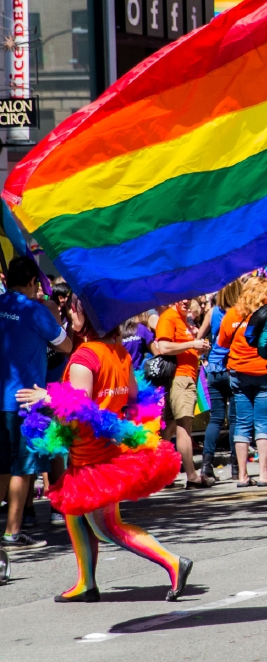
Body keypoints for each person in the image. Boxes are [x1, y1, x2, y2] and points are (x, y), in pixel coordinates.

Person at [17, 322, 190, 602]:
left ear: (86, 318)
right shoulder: (118, 352)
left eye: (74, 309)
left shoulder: (85, 356)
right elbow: (135, 399)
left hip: (94, 459)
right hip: (96, 452)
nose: (70, 313)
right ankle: (86, 583)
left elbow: (80, 404)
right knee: (73, 508)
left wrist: (44, 396)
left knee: (107, 526)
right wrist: (122, 429)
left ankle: (173, 562)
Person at [0, 256, 71, 549]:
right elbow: (66, 345)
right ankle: (13, 532)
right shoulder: (35, 310)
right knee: (24, 468)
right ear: (32, 283)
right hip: (29, 401)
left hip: (0, 398)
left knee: (2, 467)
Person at [217, 277, 267, 486]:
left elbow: (222, 342)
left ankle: (242, 475)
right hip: (263, 372)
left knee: (241, 423)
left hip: (238, 374)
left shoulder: (233, 314)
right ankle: (263, 474)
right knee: (264, 423)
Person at [151, 297, 213, 488]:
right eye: (181, 297)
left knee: (169, 427)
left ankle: (161, 475)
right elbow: (163, 347)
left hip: (184, 378)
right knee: (184, 426)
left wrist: (198, 349)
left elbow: (180, 348)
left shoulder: (181, 318)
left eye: (189, 297)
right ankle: (192, 477)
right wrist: (192, 345)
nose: (186, 300)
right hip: (180, 378)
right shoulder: (169, 317)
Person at [202, 279, 243, 481]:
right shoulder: (240, 312)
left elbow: (201, 339)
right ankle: (236, 467)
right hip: (233, 368)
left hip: (214, 369)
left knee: (216, 418)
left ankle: (206, 466)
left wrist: (205, 357)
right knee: (235, 419)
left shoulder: (212, 312)